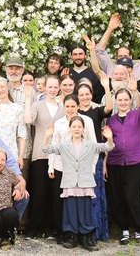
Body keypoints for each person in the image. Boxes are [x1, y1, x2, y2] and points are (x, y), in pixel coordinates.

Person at [42, 118, 116, 251]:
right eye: (74, 126)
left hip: (85, 182)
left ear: (83, 129)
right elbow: (46, 149)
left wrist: (109, 138)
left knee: (85, 210)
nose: (76, 129)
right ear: (70, 128)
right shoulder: (64, 145)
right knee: (70, 210)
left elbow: (107, 147)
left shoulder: (90, 144)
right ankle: (72, 236)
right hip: (70, 182)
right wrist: (47, 136)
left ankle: (86, 237)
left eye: (79, 127)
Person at [105, 74, 140, 245]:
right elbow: (107, 144)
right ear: (116, 101)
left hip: (135, 160)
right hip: (116, 162)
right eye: (120, 100)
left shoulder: (137, 115)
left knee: (132, 195)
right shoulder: (111, 120)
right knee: (118, 196)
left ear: (130, 100)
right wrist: (105, 164)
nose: (123, 102)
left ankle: (139, 228)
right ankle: (124, 229)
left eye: (126, 99)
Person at [48, 94, 97, 244]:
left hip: (82, 168)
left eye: (73, 106)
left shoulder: (86, 121)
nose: (70, 109)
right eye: (67, 106)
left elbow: (93, 146)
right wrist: (51, 166)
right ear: (64, 107)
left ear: (78, 106)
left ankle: (85, 233)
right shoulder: (59, 123)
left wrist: (92, 167)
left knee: (83, 201)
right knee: (67, 202)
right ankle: (69, 233)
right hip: (62, 167)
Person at [75, 66, 113, 241]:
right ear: (78, 96)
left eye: (87, 94)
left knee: (95, 195)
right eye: (81, 95)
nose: (84, 97)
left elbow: (109, 107)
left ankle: (96, 231)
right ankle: (81, 229)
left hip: (95, 158)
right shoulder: (74, 114)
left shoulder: (96, 110)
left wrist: (106, 87)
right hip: (77, 158)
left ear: (91, 94)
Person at [24, 74, 65, 238]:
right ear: (45, 87)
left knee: (55, 193)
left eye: (56, 87)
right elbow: (28, 119)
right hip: (41, 153)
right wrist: (28, 99)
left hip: (58, 155)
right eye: (50, 87)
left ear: (59, 88)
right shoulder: (38, 105)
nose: (53, 90)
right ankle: (35, 226)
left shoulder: (63, 108)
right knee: (40, 191)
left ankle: (52, 227)